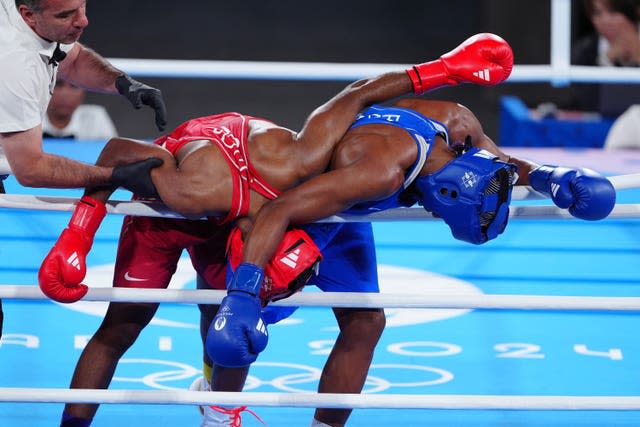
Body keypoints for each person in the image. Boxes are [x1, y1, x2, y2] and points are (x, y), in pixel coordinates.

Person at [39, 33, 613, 426]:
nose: (437, 216)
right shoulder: (360, 174)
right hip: (268, 202)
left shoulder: (458, 127)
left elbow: (486, 161)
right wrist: (240, 298)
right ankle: (218, 407)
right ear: (440, 194)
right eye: (441, 211)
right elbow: (281, 213)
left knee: (363, 321)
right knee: (185, 314)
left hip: (311, 204)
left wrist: (548, 178)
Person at [0, 0, 168, 338]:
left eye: (81, 8)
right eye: (66, 15)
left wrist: (121, 83)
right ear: (28, 16)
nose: (82, 21)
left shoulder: (41, 22)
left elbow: (72, 58)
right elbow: (31, 169)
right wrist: (114, 177)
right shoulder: (13, 64)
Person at [570, 0, 640, 113]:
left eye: (613, 12)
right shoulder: (585, 51)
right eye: (597, 13)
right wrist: (606, 62)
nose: (605, 21)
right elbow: (584, 104)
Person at [43, 78, 118, 140]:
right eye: (57, 84)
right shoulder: (32, 118)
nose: (65, 93)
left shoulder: (95, 118)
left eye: (74, 86)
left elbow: (114, 155)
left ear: (84, 90)